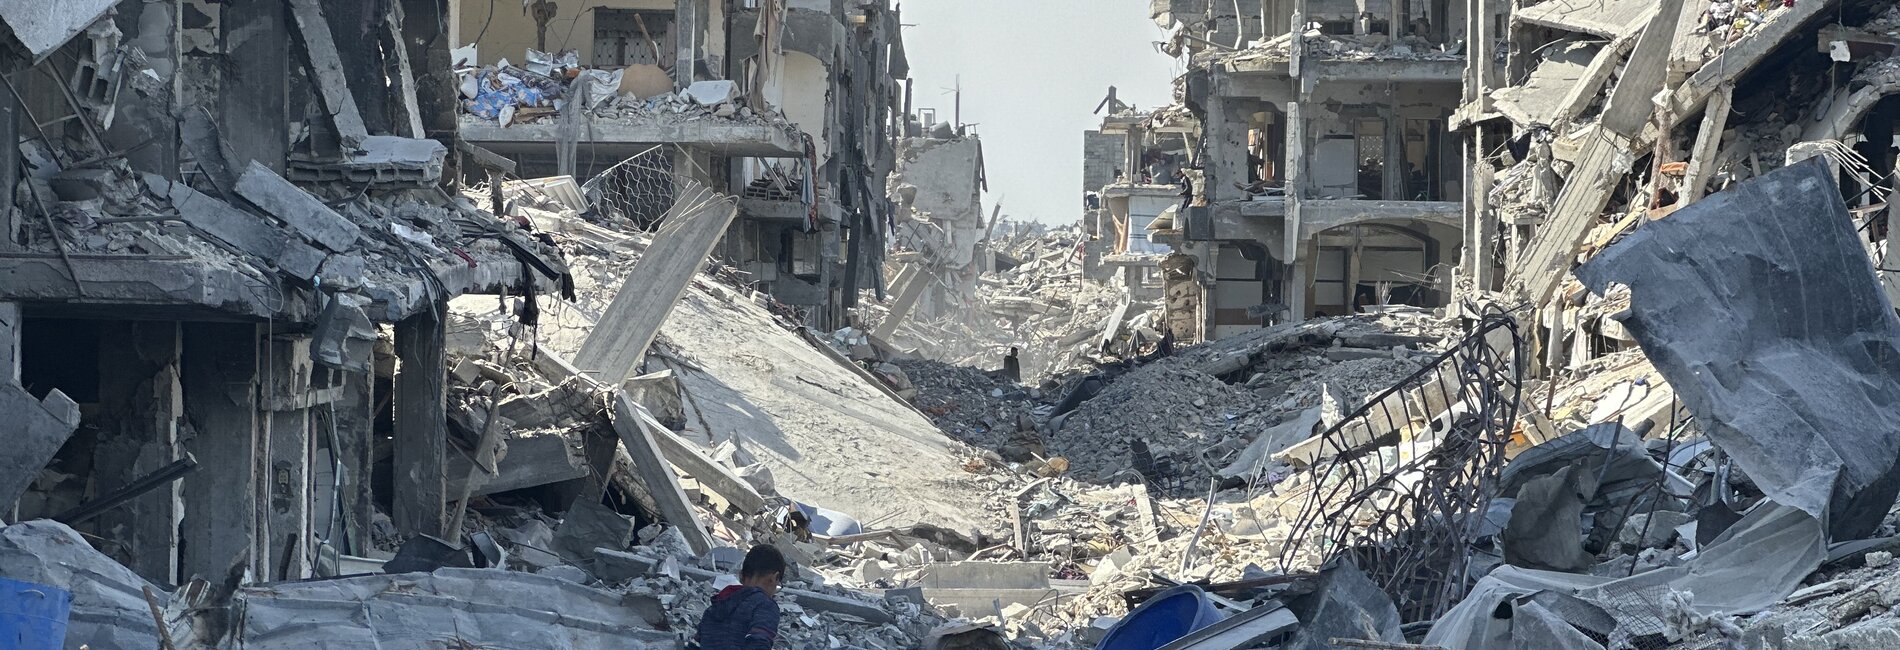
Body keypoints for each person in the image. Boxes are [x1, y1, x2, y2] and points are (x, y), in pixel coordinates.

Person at [694, 545, 785, 649]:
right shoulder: (765, 606)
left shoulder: (714, 607)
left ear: (741, 576)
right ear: (774, 578)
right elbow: (759, 643)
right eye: (778, 586)